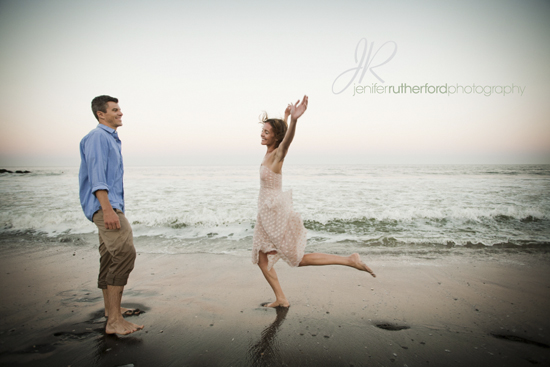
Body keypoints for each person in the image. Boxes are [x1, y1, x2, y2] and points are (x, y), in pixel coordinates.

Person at [252, 95, 376, 308]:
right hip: (266, 213)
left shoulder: (277, 155)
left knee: (295, 258)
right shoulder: (269, 152)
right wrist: (285, 116)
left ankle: (350, 260)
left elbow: (287, 140)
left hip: (274, 214)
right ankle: (281, 298)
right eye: (262, 130)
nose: (261, 134)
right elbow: (282, 136)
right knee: (263, 260)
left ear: (275, 137)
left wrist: (294, 121)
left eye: (266, 132)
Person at [79, 95, 144, 335]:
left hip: (108, 205)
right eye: (115, 109)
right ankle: (114, 321)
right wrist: (108, 209)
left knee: (108, 256)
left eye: (120, 109)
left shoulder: (110, 139)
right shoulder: (98, 137)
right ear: (101, 114)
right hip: (105, 206)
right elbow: (97, 177)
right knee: (125, 254)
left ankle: (110, 310)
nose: (121, 113)